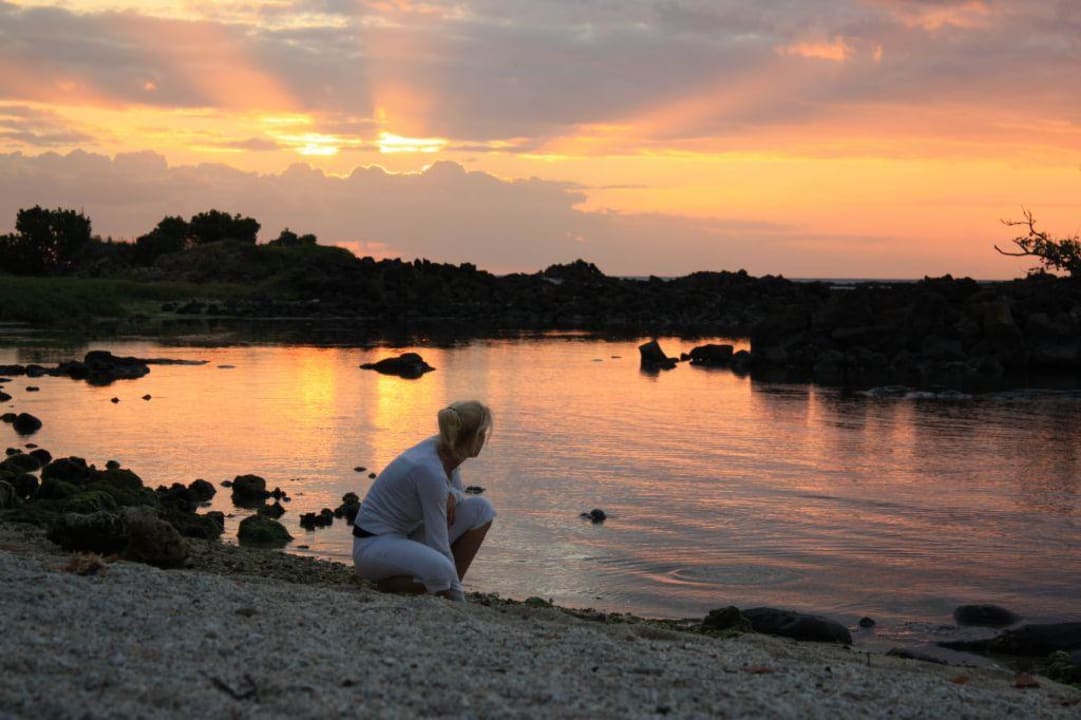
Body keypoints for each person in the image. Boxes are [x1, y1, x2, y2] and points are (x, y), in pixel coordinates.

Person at [352, 400, 496, 602]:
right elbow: (439, 544)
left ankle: (445, 588)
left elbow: (455, 495)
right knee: (442, 570)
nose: (484, 440)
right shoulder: (430, 470)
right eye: (481, 434)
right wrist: (461, 603)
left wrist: (453, 494)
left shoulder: (447, 452)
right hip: (373, 546)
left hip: (403, 537)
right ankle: (409, 587)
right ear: (470, 438)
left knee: (483, 510)